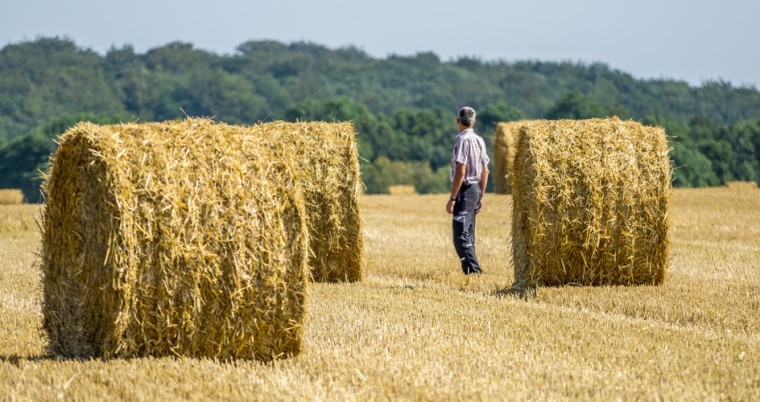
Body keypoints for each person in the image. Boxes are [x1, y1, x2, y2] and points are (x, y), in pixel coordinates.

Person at [446, 106, 490, 275]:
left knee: (460, 236)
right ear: (474, 122)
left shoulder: (461, 141)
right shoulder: (479, 140)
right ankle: (470, 272)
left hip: (464, 192)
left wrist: (452, 198)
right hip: (475, 190)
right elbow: (485, 171)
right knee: (469, 235)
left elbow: (461, 170)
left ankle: (475, 272)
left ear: (458, 121)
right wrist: (480, 196)